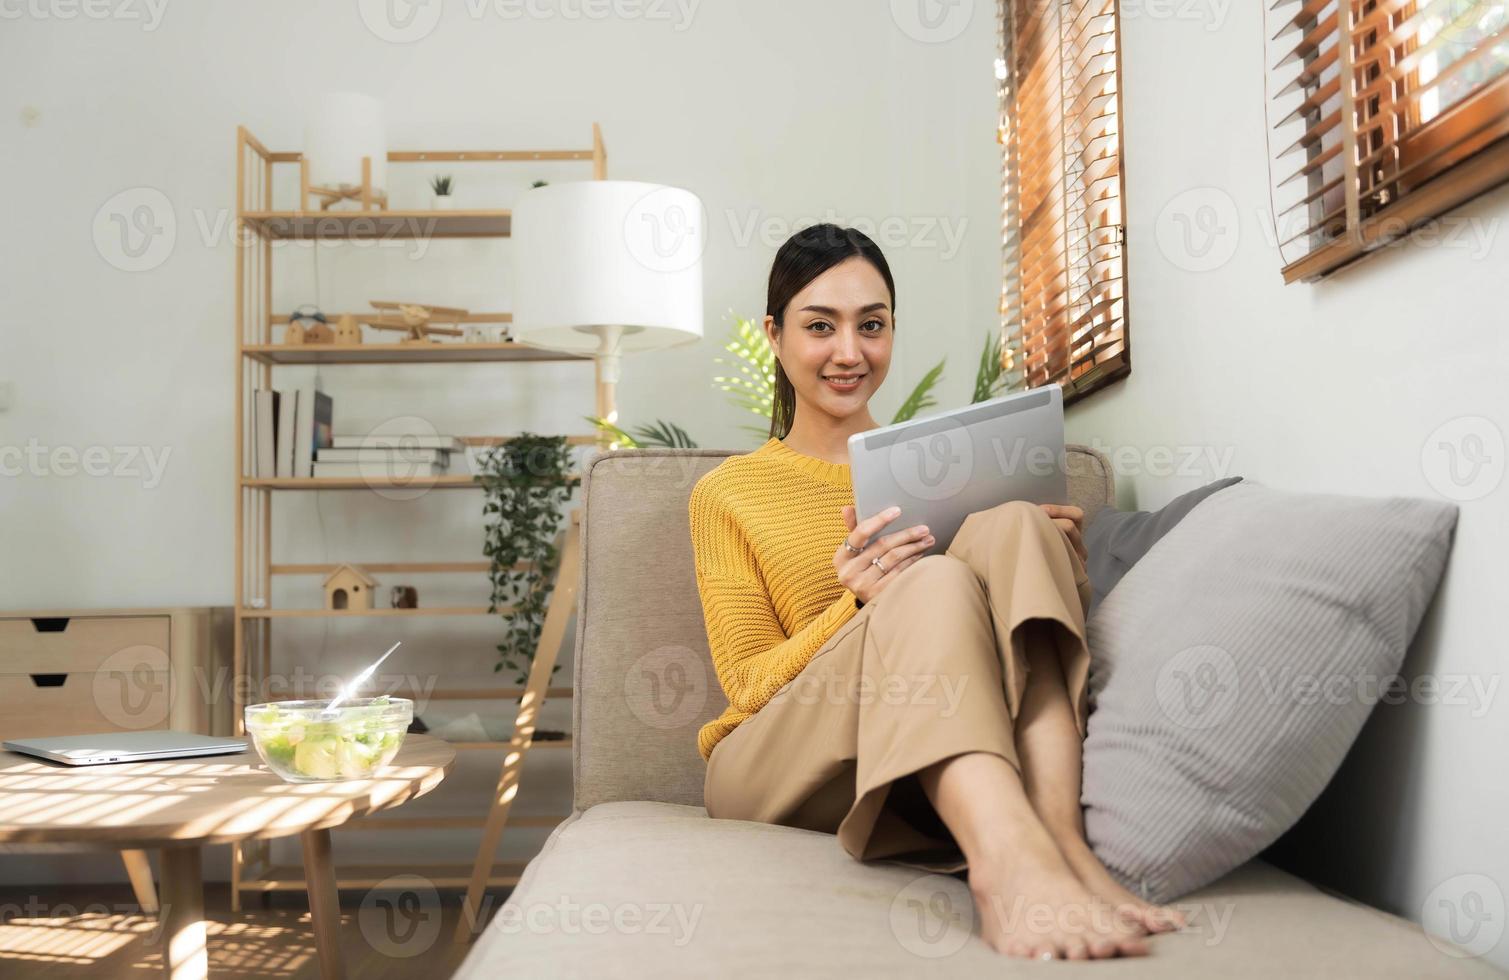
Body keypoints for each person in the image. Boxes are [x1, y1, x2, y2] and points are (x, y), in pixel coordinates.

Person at [688, 224, 1184, 961]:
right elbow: (747, 683)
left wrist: (1060, 560)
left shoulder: (933, 468)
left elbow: (1005, 653)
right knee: (930, 578)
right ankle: (1003, 867)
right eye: (820, 326)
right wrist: (854, 605)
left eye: (872, 325)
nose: (849, 352)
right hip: (776, 762)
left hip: (916, 754)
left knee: (1016, 522)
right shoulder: (727, 493)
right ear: (774, 333)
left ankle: (1063, 847)